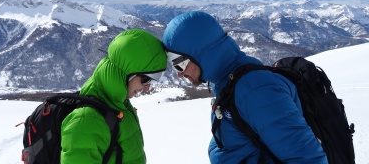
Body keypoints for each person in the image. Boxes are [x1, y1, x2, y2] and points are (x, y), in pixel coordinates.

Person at [162, 11, 328, 163]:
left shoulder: (256, 90)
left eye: (180, 64)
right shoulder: (229, 84)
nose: (180, 74)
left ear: (203, 55)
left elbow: (308, 159)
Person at [60, 29, 167, 164]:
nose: (147, 87)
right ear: (126, 73)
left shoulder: (119, 106)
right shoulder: (88, 120)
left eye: (153, 80)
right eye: (146, 79)